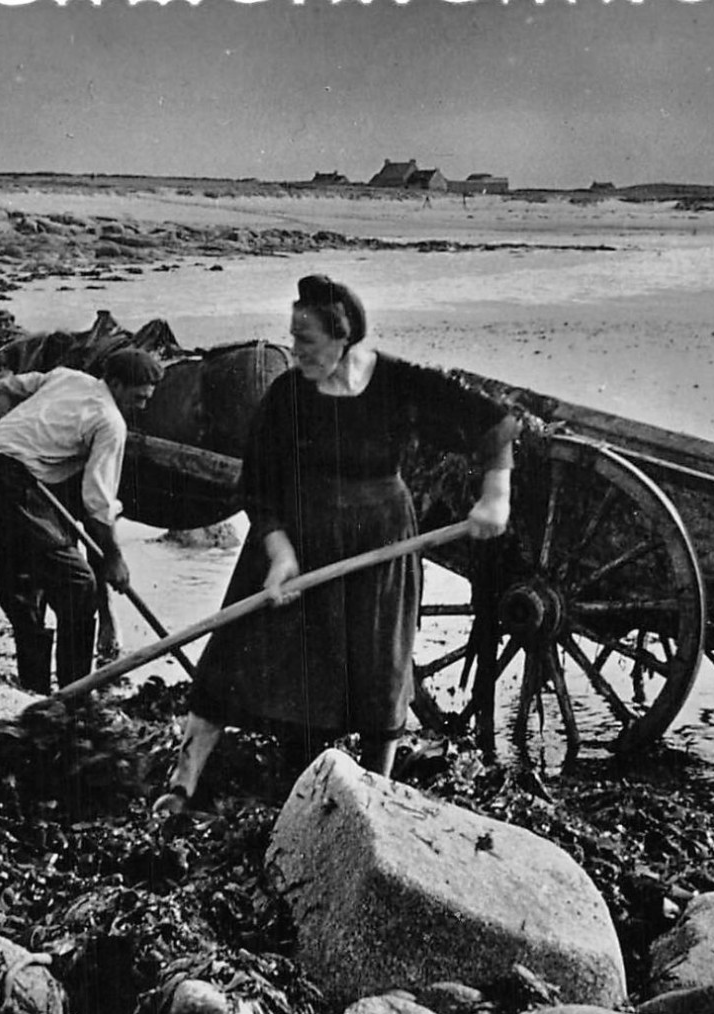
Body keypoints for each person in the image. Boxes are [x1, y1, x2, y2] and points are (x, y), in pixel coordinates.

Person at [152, 275, 519, 815]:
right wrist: (279, 553)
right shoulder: (286, 396)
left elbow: (493, 423)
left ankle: (373, 800)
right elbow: (257, 483)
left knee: (378, 668)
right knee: (233, 656)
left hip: (380, 544)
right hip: (295, 541)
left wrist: (496, 496)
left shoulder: (397, 382)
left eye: (307, 341)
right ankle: (184, 781)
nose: (295, 352)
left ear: (343, 337)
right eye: (293, 338)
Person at [0, 347, 162, 694]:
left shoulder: (67, 377)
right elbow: (96, 503)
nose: (142, 407)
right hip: (13, 490)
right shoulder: (110, 422)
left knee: (25, 594)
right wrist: (114, 558)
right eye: (138, 398)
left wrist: (19, 433)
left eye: (148, 400)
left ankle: (33, 696)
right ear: (114, 384)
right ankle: (73, 697)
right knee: (79, 586)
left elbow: (6, 387)